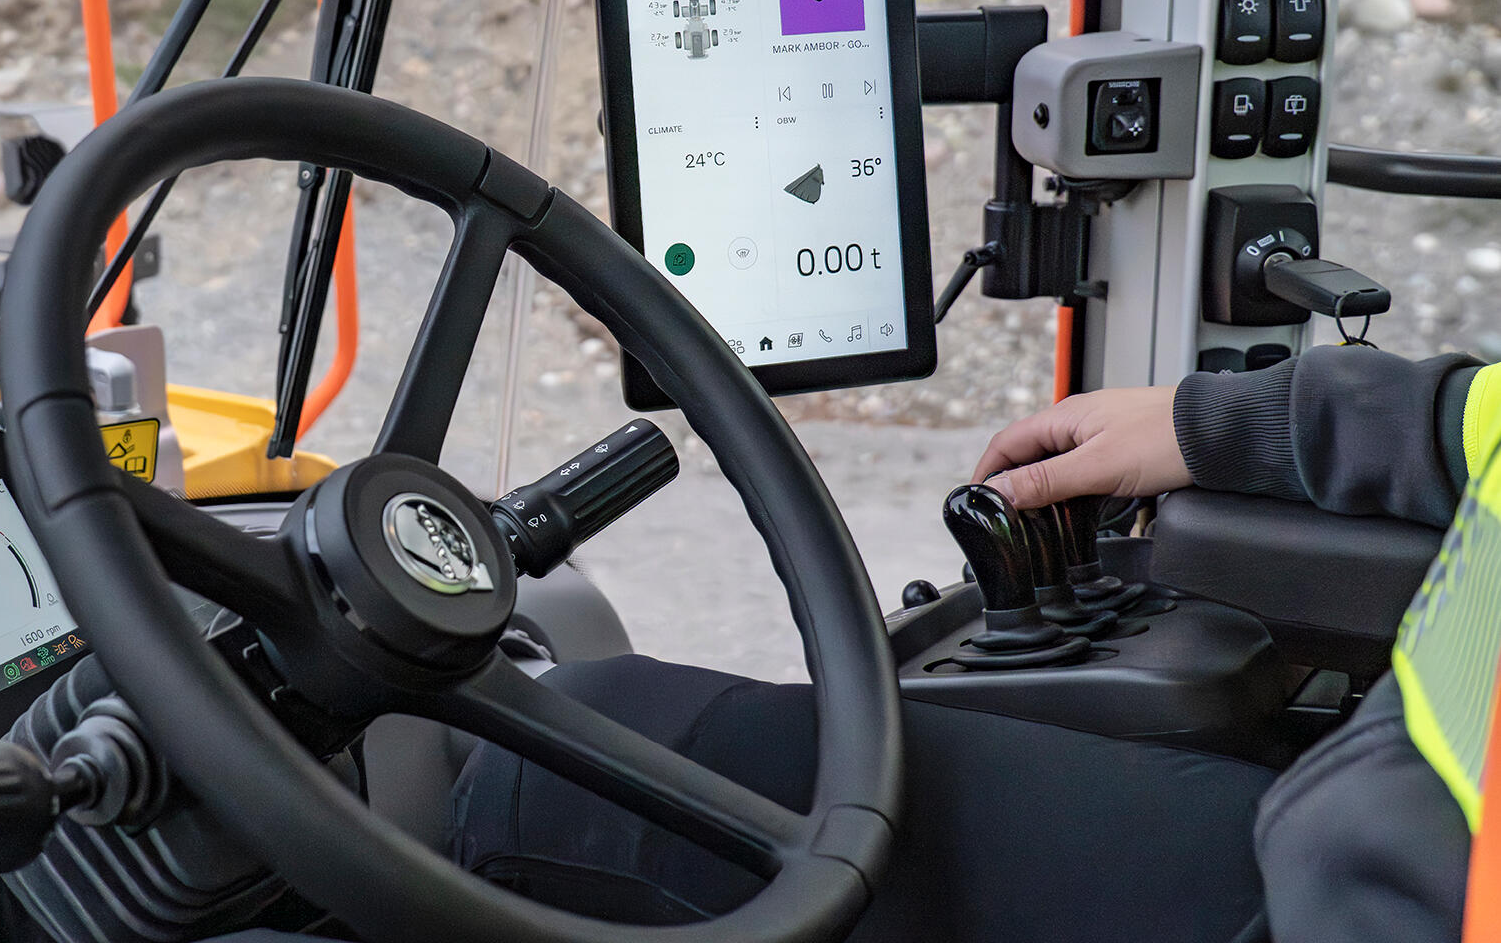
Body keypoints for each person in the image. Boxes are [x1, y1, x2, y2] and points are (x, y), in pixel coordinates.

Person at [447, 345, 1491, 942]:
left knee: (555, 773)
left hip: (1352, 903)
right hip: (1354, 857)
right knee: (613, 723)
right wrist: (1243, 421)